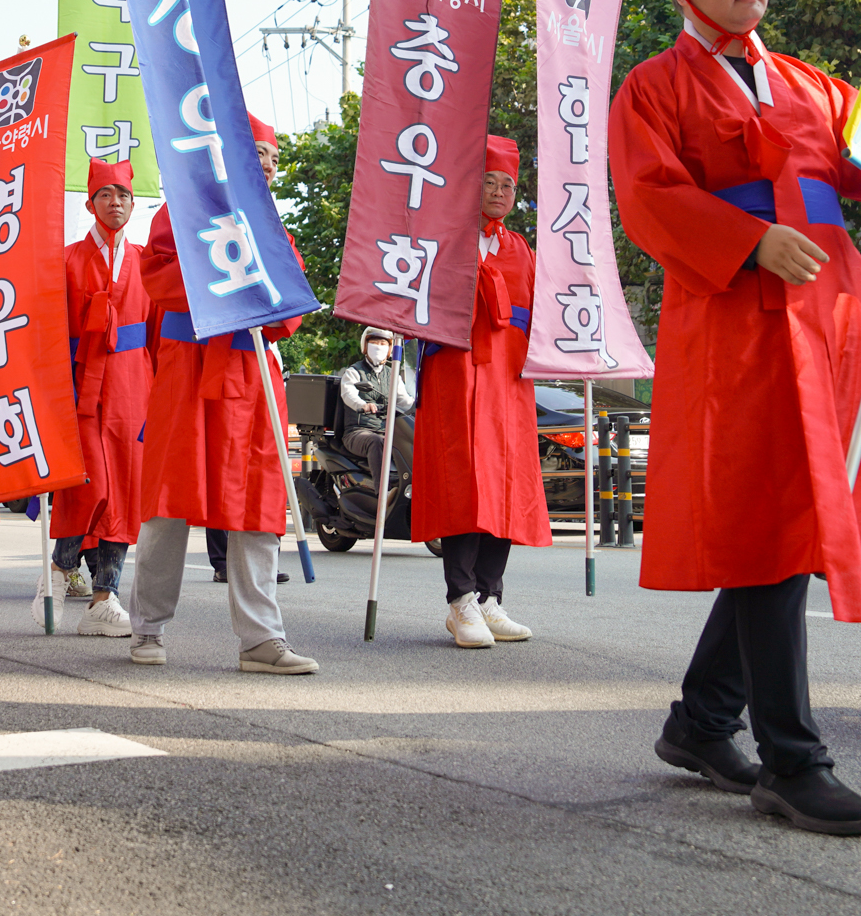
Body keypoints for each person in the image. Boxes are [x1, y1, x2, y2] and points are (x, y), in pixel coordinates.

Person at [608, 0, 861, 837]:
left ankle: (701, 722)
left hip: (827, 320)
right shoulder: (653, 87)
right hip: (735, 323)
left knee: (789, 527)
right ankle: (792, 760)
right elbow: (649, 198)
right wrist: (748, 240)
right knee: (773, 524)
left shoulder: (813, 83)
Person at [127, 113, 319, 674]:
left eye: (273, 158)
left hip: (251, 375)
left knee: (258, 503)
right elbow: (157, 279)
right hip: (188, 370)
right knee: (167, 503)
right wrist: (224, 283)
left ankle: (261, 638)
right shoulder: (182, 209)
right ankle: (147, 626)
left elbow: (292, 306)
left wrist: (263, 301)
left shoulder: (272, 225)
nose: (267, 165)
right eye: (257, 152)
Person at [412, 136, 549, 649]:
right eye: (488, 182)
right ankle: (461, 599)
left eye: (506, 185)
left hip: (509, 381)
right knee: (464, 484)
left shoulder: (521, 249)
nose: (497, 192)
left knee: (507, 483)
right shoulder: (442, 241)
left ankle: (490, 596)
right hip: (458, 375)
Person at [54, 160, 153, 637]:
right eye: (106, 195)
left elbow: (159, 332)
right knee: (89, 486)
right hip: (81, 386)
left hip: (133, 386)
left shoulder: (146, 261)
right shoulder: (66, 260)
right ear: (90, 203)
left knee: (127, 492)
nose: (116, 203)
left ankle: (104, 596)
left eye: (124, 195)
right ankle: (60, 566)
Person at [335, 325, 414, 489]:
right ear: (365, 346)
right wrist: (363, 405)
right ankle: (382, 491)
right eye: (374, 342)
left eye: (383, 344)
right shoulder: (354, 372)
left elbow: (404, 400)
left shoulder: (393, 374)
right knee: (376, 441)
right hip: (358, 432)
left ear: (390, 349)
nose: (378, 347)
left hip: (387, 431)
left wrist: (422, 407)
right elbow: (348, 394)